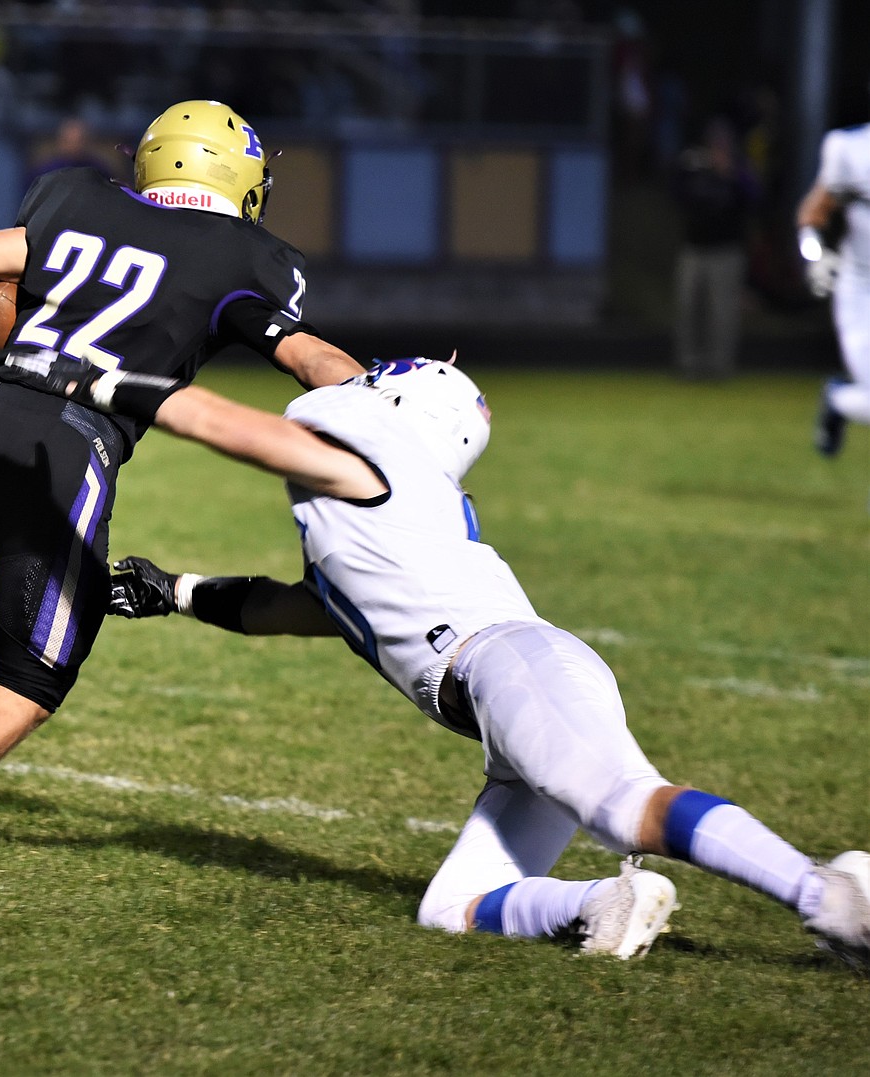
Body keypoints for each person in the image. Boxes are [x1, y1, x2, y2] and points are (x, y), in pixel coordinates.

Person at [78, 355, 870, 967]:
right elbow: (280, 610)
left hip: (510, 665)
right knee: (452, 905)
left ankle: (828, 892)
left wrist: (91, 379)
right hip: (511, 688)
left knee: (628, 807)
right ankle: (610, 903)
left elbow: (225, 424)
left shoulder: (367, 474)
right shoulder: (377, 535)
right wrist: (177, 591)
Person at [0, 99, 365, 872]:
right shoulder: (250, 257)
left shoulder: (75, 198)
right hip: (73, 445)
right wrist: (377, 397)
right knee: (28, 681)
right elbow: (307, 354)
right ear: (241, 176)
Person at [797, 115, 870, 457]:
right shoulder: (852, 148)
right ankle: (838, 399)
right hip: (862, 288)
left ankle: (840, 400)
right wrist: (815, 255)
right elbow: (814, 213)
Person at [671, 116, 759, 380]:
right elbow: (676, 194)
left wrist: (731, 173)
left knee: (722, 312)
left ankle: (719, 366)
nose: (718, 148)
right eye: (714, 142)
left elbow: (756, 197)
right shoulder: (694, 164)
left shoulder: (738, 168)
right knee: (688, 308)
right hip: (694, 247)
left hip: (726, 250)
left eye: (723, 142)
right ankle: (688, 365)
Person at [23, 115, 115, 192]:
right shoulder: (44, 173)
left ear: (88, 142)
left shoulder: (100, 171)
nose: (75, 146)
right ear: (61, 142)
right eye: (70, 141)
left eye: (80, 140)